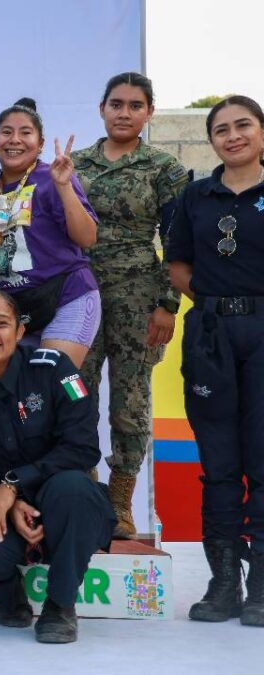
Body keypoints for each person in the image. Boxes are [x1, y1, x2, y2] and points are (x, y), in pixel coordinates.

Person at [0, 289, 114, 644]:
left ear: (17, 331)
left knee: (76, 490)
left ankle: (60, 605)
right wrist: (3, 500)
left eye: (1, 324)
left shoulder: (56, 370)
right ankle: (6, 589)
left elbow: (82, 448)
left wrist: (12, 486)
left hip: (56, 501)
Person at [72, 73, 188, 539]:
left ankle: (120, 504)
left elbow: (178, 240)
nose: (124, 112)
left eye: (135, 105)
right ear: (101, 108)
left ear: (149, 112)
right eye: (116, 104)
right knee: (75, 394)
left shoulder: (164, 168)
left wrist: (167, 304)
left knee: (130, 401)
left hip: (139, 298)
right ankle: (81, 491)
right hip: (78, 294)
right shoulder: (75, 163)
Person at [166, 95, 264, 627]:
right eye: (221, 129)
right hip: (210, 334)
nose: (233, 136)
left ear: (262, 132)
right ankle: (224, 582)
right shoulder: (195, 196)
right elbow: (178, 264)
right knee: (220, 463)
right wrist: (210, 302)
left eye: (243, 125)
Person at [0, 98, 100, 369]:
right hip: (16, 308)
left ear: (40, 144)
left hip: (68, 296)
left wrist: (64, 187)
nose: (15, 140)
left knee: (52, 380)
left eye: (26, 133)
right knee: (14, 390)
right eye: (6, 132)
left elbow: (88, 238)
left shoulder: (51, 178)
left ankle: (79, 412)